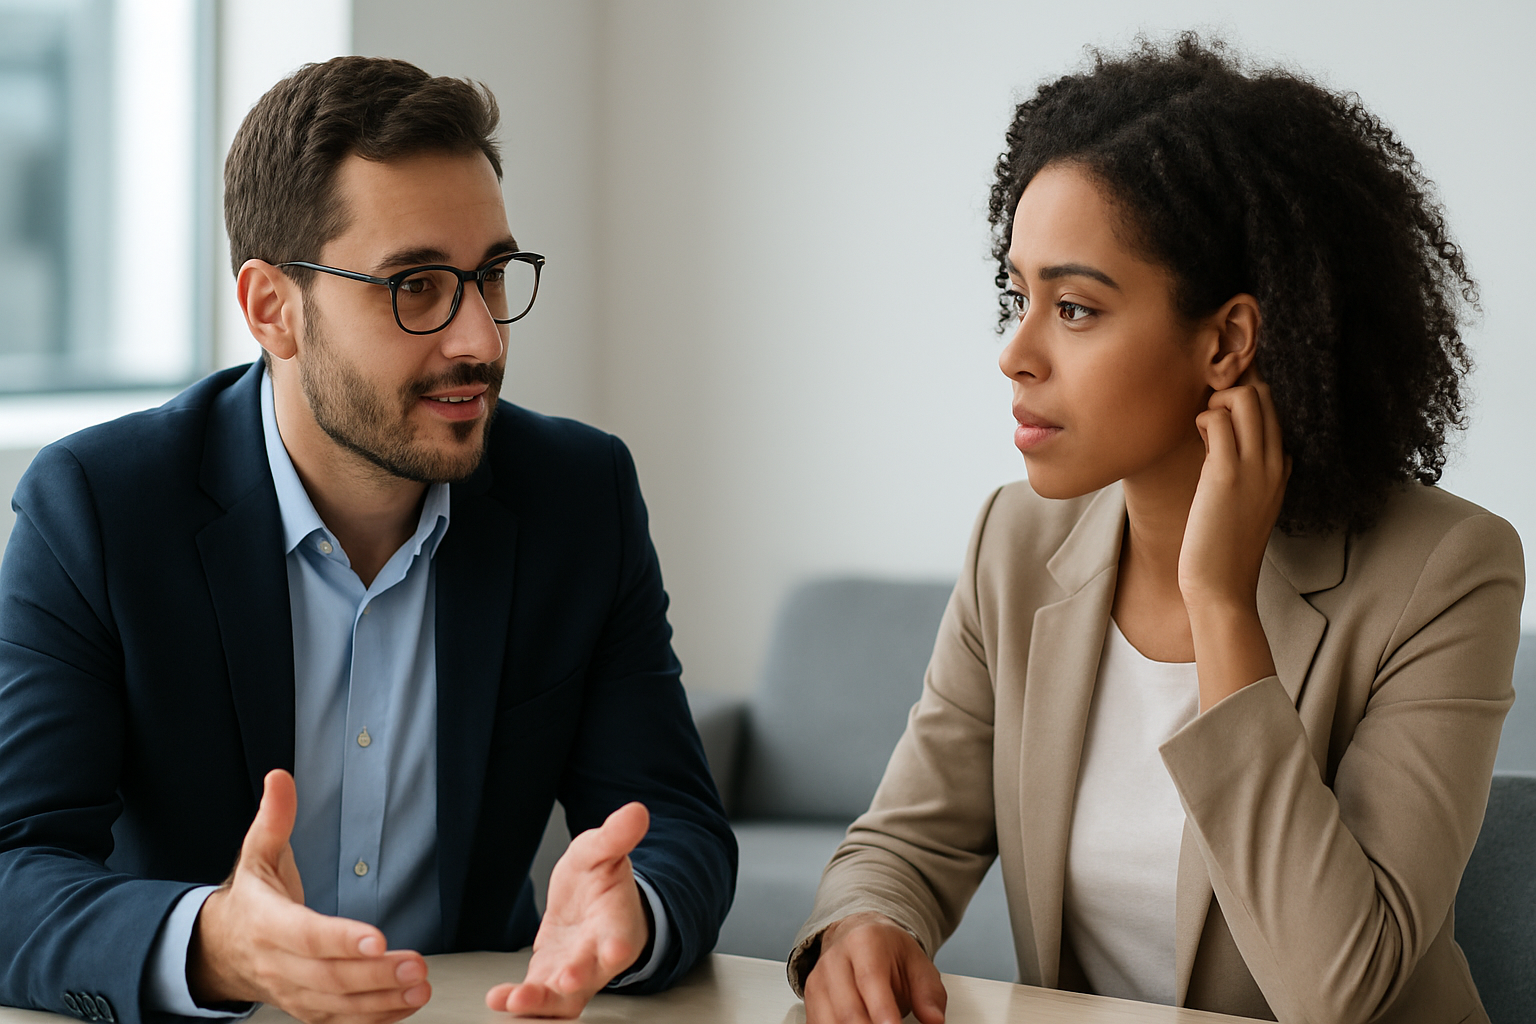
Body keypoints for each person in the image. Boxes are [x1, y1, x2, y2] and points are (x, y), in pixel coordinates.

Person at [789, 35, 1523, 1024]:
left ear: (1226, 340)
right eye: (1019, 296)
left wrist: (1221, 602)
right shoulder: (1015, 543)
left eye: (1077, 308)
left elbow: (1336, 989)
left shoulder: (1444, 572)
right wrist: (866, 924)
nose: (1016, 352)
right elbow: (905, 843)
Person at [0, 56, 735, 1024]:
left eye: (492, 275)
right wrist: (216, 940)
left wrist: (632, 910)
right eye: (417, 285)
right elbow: (15, 865)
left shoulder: (575, 494)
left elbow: (674, 820)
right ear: (273, 308)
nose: (480, 338)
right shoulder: (102, 503)